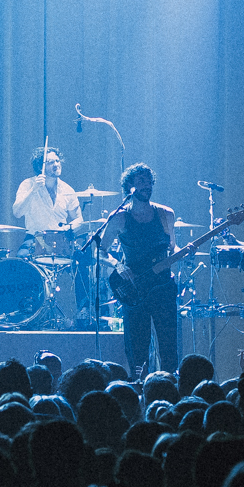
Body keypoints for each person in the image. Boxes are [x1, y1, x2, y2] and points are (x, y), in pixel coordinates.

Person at [101, 162, 179, 378]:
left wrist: (186, 251)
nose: (147, 185)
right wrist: (118, 265)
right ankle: (139, 388)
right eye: (141, 181)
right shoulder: (119, 217)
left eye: (149, 181)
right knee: (137, 347)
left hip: (163, 285)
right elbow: (100, 251)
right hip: (135, 288)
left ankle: (171, 385)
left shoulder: (166, 214)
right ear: (129, 186)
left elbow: (173, 247)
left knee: (169, 344)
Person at [12, 146, 83, 233]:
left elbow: (79, 219)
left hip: (60, 238)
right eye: (51, 162)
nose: (56, 164)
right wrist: (33, 190)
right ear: (40, 167)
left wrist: (64, 229)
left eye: (57, 161)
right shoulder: (28, 184)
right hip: (35, 238)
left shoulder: (67, 189)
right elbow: (17, 213)